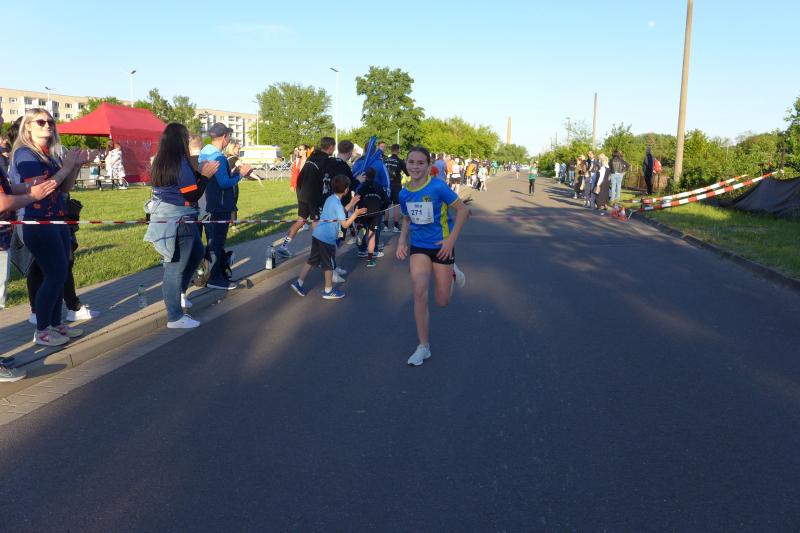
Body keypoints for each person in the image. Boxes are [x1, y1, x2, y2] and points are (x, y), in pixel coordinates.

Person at [9, 108, 91, 346]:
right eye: (41, 122)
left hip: (57, 219)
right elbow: (42, 189)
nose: (47, 125)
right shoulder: (25, 154)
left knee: (60, 274)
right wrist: (66, 167)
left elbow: (64, 188)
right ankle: (43, 329)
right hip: (37, 221)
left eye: (51, 122)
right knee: (54, 275)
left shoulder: (49, 154)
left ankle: (56, 325)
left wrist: (75, 166)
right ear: (28, 127)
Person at [397, 146, 469, 367]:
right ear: (406, 164)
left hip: (442, 246)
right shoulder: (404, 193)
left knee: (442, 301)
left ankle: (452, 271)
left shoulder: (438, 187)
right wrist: (401, 241)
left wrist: (450, 241)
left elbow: (463, 210)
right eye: (411, 162)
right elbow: (406, 218)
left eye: (420, 163)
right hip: (419, 246)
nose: (415, 166)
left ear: (429, 166)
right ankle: (423, 346)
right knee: (419, 292)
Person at [145, 123, 219, 328]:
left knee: (197, 254)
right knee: (174, 268)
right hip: (179, 220)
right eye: (186, 139)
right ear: (181, 141)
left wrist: (200, 175)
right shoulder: (179, 162)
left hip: (176, 217)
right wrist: (206, 177)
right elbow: (192, 194)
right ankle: (175, 316)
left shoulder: (161, 161)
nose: (188, 142)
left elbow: (183, 188)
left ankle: (179, 295)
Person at [290, 174, 366, 299]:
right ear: (346, 189)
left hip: (317, 235)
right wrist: (356, 214)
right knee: (329, 265)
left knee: (312, 260)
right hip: (326, 239)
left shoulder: (331, 199)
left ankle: (299, 283)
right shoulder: (337, 204)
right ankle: (328, 291)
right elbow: (345, 224)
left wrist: (352, 203)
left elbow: (340, 213)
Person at [198, 123, 251, 290]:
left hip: (208, 203)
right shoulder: (219, 157)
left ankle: (210, 275)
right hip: (219, 206)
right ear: (225, 137)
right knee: (217, 244)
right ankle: (215, 279)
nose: (229, 139)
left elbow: (215, 179)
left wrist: (233, 172)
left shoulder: (204, 153)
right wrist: (241, 174)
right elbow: (224, 183)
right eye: (229, 136)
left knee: (213, 242)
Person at [277, 137, 336, 258]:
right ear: (330, 147)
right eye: (334, 147)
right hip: (313, 196)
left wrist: (300, 193)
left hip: (303, 195)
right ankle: (320, 251)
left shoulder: (311, 158)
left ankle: (283, 246)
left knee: (301, 220)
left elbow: (300, 177)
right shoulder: (325, 161)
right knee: (316, 222)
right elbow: (326, 180)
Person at [356, 168, 390, 268]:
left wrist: (357, 213)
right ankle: (370, 259)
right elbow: (387, 201)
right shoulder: (379, 187)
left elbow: (357, 200)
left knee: (362, 231)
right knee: (372, 236)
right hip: (375, 214)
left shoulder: (361, 187)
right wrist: (381, 209)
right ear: (375, 176)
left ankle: (361, 249)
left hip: (363, 213)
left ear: (365, 176)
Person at [383, 143, 408, 232]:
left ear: (391, 150)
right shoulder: (400, 161)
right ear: (398, 150)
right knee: (397, 205)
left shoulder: (385, 160)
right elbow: (407, 173)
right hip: (397, 186)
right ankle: (396, 226)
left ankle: (385, 226)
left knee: (387, 205)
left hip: (387, 186)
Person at [224, 141, 242, 232]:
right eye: (238, 148)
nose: (239, 150)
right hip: (233, 185)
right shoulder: (235, 159)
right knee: (233, 206)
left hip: (225, 184)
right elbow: (243, 169)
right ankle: (234, 226)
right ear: (233, 148)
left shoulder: (225, 158)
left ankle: (225, 224)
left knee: (226, 205)